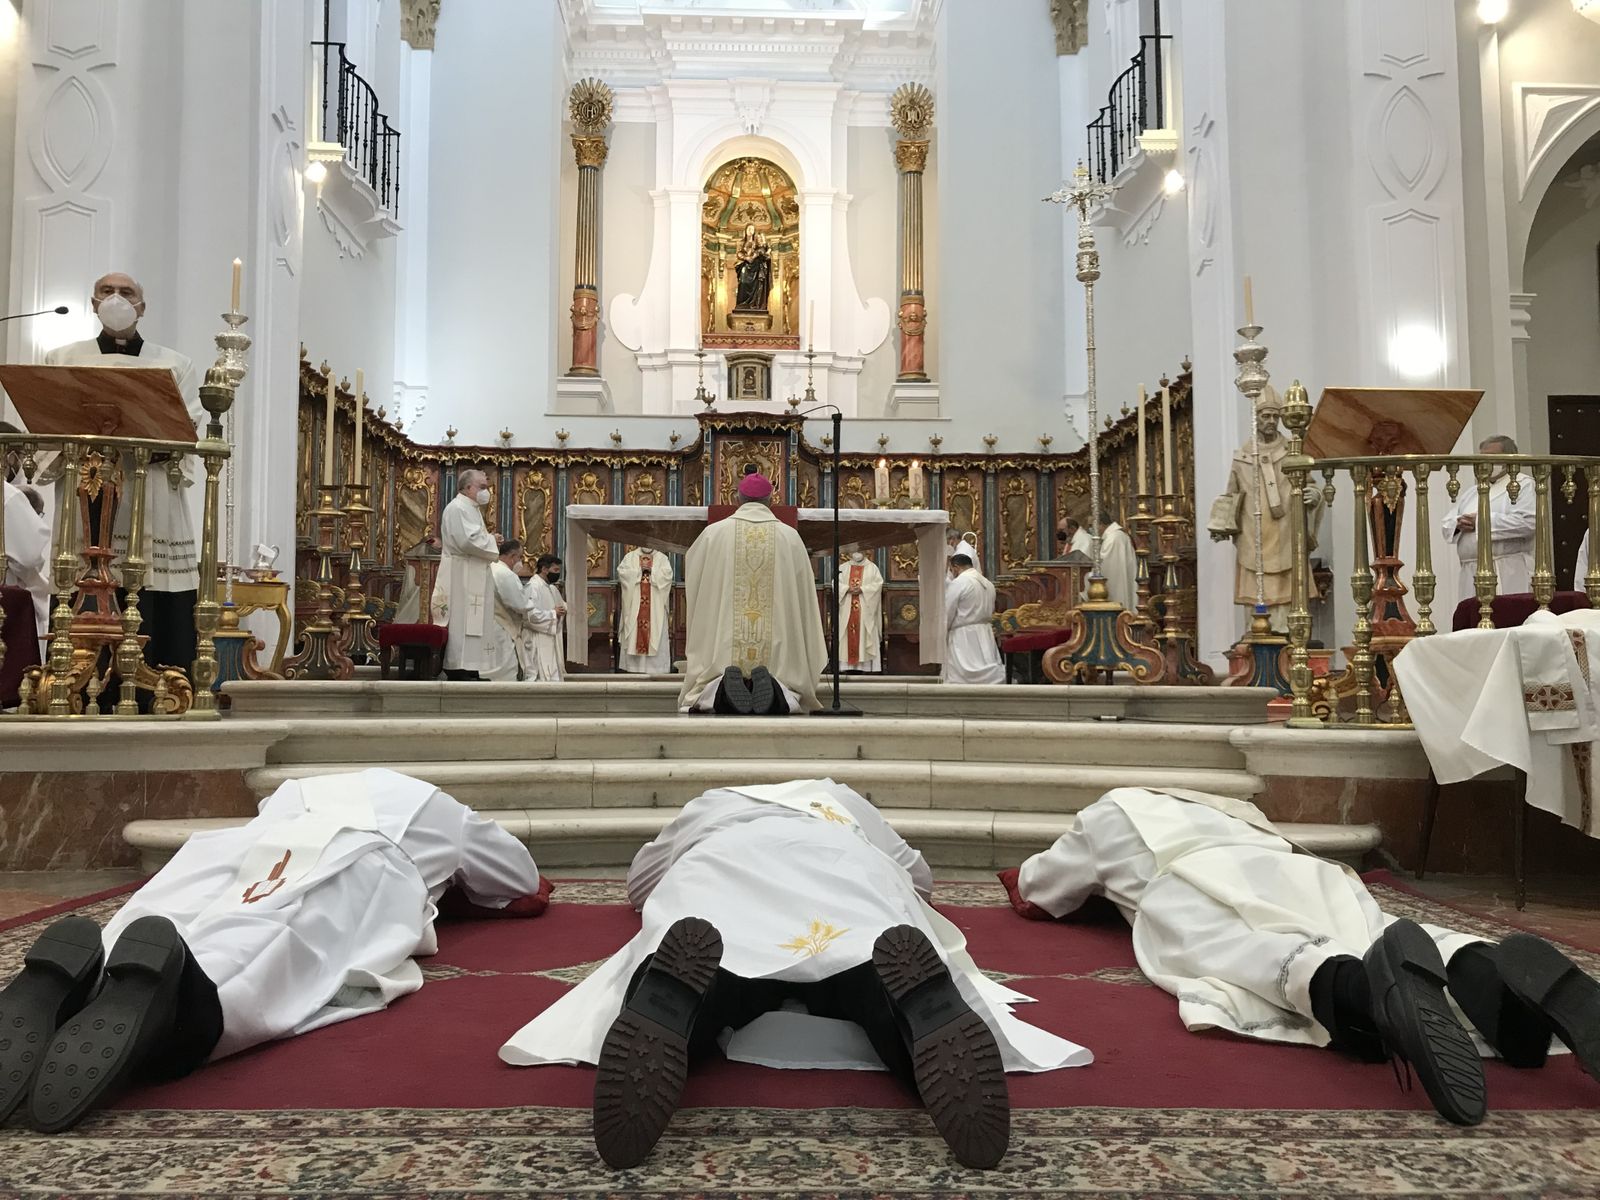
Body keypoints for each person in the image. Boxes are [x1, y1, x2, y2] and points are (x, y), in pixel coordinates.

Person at [499, 778, 1091, 1170]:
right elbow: (919, 876)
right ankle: (914, 1009)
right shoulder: (842, 800)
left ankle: (667, 997)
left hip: (724, 865)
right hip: (844, 867)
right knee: (864, 970)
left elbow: (640, 882)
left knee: (722, 972)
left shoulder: (713, 803)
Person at [1003, 786, 1600, 1127]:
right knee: (1375, 928)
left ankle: (1362, 998)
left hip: (1187, 877)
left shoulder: (1109, 813)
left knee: (1241, 946)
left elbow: (1040, 888)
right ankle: (1492, 982)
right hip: (1303, 869)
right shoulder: (1237, 811)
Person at [0, 768, 548, 1132]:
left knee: (187, 903)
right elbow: (518, 877)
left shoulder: (301, 787)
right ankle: (185, 1009)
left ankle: (84, 977)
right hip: (364, 858)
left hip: (251, 843)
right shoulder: (442, 809)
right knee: (279, 934)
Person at [42, 273, 201, 673]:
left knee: (150, 583)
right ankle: (70, 681)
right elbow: (45, 425)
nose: (116, 298)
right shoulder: (63, 359)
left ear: (142, 307)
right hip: (85, 492)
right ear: (93, 304)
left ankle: (156, 685)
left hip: (151, 492)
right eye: (106, 291)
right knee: (78, 574)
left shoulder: (174, 364)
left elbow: (188, 429)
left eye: (126, 293)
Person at [679, 471, 826, 714]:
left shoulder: (713, 534)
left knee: (713, 682)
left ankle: (720, 691)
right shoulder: (790, 537)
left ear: (737, 499)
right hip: (778, 645)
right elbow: (804, 595)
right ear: (771, 500)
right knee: (786, 684)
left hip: (724, 643)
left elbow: (695, 578)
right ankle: (779, 691)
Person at [1207, 388, 1324, 631]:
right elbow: (1231, 495)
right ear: (1256, 418)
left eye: (1274, 416)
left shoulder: (1293, 451)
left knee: (1289, 598)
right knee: (1258, 596)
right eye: (1265, 416)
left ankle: (1290, 636)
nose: (1271, 421)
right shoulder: (1243, 458)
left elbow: (1310, 485)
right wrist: (1221, 523)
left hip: (1287, 535)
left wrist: (1314, 495)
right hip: (1255, 538)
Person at [1440, 434, 1535, 603]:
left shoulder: (1523, 484)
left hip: (1506, 569)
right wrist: (1459, 524)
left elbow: (1527, 522)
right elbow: (1448, 523)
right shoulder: (1473, 491)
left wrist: (1481, 521)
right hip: (1471, 570)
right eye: (1481, 458)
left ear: (1509, 458)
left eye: (1490, 457)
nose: (1483, 463)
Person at [433, 470, 499, 680]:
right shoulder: (458, 508)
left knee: (475, 619)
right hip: (461, 572)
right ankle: (456, 667)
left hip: (473, 569)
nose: (486, 492)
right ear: (468, 487)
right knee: (462, 620)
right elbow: (466, 541)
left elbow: (474, 537)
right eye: (482, 487)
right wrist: (492, 541)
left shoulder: (471, 508)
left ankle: (471, 667)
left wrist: (489, 538)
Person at [1, 422, 51, 641]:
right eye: (21, 456)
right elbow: (29, 557)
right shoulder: (8, 496)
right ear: (10, 456)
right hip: (7, 599)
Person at [484, 539, 555, 682]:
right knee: (505, 670)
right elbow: (520, 604)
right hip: (503, 627)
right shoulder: (505, 574)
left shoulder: (489, 568)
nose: (521, 562)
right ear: (512, 557)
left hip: (489, 623)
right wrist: (532, 603)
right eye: (520, 557)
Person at [942, 545, 1005, 685]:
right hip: (985, 633)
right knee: (988, 674)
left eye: (951, 570)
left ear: (956, 567)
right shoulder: (988, 583)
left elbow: (948, 611)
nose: (952, 573)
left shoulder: (959, 583)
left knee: (961, 678)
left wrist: (943, 631)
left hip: (963, 636)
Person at [617, 545, 673, 674]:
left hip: (655, 607)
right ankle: (634, 668)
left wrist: (652, 570)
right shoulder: (630, 557)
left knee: (656, 632)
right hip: (635, 605)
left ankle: (656, 669)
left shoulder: (662, 558)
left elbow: (667, 576)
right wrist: (639, 571)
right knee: (634, 633)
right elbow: (622, 573)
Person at [838, 549, 884, 672]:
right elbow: (835, 583)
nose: (857, 552)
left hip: (865, 610)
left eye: (859, 549)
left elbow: (878, 584)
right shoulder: (843, 568)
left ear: (865, 551)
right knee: (847, 634)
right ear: (849, 552)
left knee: (865, 633)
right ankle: (846, 666)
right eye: (854, 550)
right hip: (847, 609)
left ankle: (866, 666)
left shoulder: (872, 568)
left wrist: (863, 589)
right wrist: (847, 588)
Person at [525, 553, 567, 682]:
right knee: (540, 675)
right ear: (544, 569)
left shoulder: (550, 587)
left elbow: (561, 606)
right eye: (555, 570)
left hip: (549, 637)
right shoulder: (533, 586)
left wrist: (562, 611)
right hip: (537, 638)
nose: (557, 573)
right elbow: (530, 615)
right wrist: (553, 613)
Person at [1094, 509, 1139, 611]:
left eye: (1092, 525)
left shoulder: (1113, 539)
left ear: (1100, 524)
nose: (1092, 529)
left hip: (1117, 588)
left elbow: (1106, 568)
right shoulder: (1118, 535)